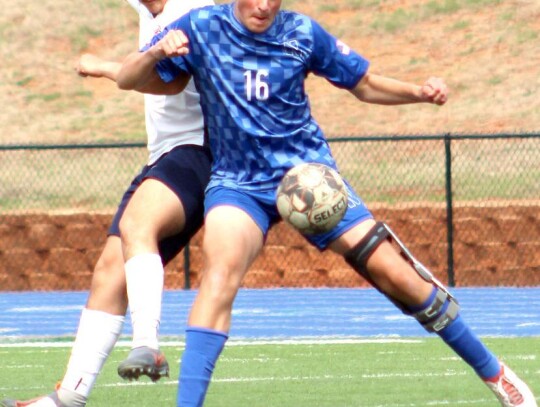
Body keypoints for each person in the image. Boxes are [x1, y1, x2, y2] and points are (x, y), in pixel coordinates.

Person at [115, 0, 538, 406]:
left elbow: (365, 84)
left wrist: (419, 92)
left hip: (309, 180)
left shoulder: (302, 32)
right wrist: (155, 52)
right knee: (218, 274)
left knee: (399, 277)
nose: (264, 5)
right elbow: (127, 80)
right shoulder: (200, 26)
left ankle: (494, 373)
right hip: (238, 183)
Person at [0, 0, 213, 406]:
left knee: (137, 227)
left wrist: (102, 66)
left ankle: (147, 343)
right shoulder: (148, 9)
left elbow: (169, 81)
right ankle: (68, 398)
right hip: (166, 155)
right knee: (108, 273)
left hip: (200, 149)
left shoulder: (192, 8)